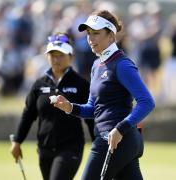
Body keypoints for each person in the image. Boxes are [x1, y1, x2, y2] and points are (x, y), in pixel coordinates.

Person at [52, 10, 155, 180]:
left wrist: (120, 129)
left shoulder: (122, 65)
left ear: (111, 36)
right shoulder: (96, 65)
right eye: (88, 34)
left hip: (116, 139)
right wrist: (70, 107)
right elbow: (93, 108)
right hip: (117, 140)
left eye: (96, 33)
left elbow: (147, 102)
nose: (91, 39)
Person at [10, 32, 94, 180]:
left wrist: (98, 142)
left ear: (71, 56)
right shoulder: (39, 84)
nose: (56, 59)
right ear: (47, 56)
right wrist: (17, 141)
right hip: (45, 148)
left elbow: (90, 117)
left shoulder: (80, 84)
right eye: (53, 55)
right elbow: (28, 114)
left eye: (61, 55)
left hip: (71, 148)